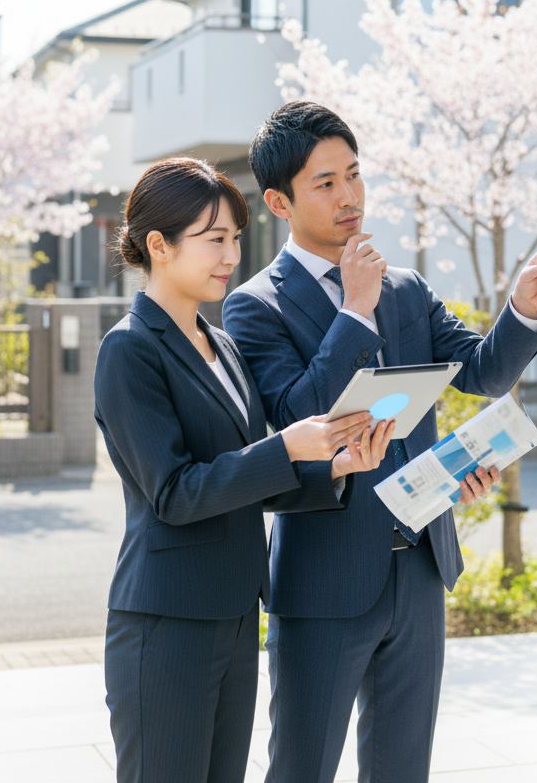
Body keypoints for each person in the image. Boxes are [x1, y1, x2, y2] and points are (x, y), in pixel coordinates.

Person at [222, 102, 537, 783]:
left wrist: (525, 305)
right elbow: (300, 415)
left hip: (419, 569)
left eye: (354, 175)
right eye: (326, 183)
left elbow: (481, 373)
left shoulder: (407, 289)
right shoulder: (255, 305)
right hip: (324, 580)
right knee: (301, 770)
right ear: (279, 202)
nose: (349, 196)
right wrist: (355, 309)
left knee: (403, 770)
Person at [94, 156, 396, 783]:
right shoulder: (129, 348)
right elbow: (175, 493)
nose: (231, 255)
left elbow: (243, 480)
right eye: (214, 240)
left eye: (235, 237)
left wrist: (333, 467)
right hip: (167, 622)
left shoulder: (222, 344)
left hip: (234, 616)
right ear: (159, 245)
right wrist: (287, 447)